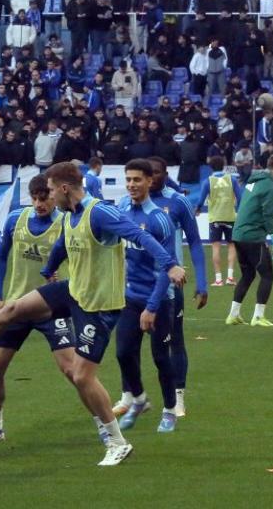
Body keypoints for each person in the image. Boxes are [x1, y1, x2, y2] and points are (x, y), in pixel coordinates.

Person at [0, 161, 186, 467]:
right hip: (74, 290)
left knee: (80, 375)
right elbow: (64, 243)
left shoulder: (100, 212)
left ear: (63, 189)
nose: (46, 195)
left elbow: (141, 237)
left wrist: (170, 264)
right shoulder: (70, 216)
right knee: (13, 308)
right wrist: (49, 268)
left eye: (49, 190)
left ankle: (116, 442)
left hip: (98, 307)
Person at [0, 175, 75, 443]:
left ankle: (103, 424)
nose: (40, 204)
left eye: (45, 198)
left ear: (54, 195)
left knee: (73, 371)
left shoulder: (66, 222)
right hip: (16, 306)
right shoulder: (16, 219)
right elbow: (0, 255)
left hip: (52, 307)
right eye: (35, 198)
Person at [113, 160, 180, 433]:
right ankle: (139, 399)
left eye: (137, 179)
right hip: (130, 297)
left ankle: (170, 410)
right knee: (123, 353)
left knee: (161, 357)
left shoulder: (159, 218)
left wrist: (152, 307)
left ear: (149, 182)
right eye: (128, 179)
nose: (131, 184)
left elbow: (168, 266)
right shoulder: (121, 210)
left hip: (159, 300)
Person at [138, 157, 207, 418]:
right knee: (128, 345)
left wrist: (201, 282)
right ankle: (132, 395)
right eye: (149, 173)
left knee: (173, 341)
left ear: (166, 175)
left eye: (157, 173)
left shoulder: (178, 202)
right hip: (136, 284)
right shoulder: (130, 203)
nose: (153, 177)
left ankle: (178, 397)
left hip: (169, 284)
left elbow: (196, 242)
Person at [226, 153, 273, 327]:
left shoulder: (253, 180)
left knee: (248, 274)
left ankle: (233, 314)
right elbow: (267, 216)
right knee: (268, 275)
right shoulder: (271, 187)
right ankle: (259, 316)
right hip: (252, 235)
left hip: (238, 234)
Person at [191, 155, 242, 287]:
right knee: (232, 246)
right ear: (224, 165)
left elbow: (201, 200)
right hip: (230, 217)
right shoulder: (232, 179)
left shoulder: (208, 181)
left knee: (215, 247)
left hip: (215, 218)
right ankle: (230, 277)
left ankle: (218, 279)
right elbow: (240, 198)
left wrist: (197, 210)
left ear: (211, 167)